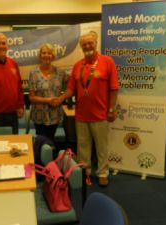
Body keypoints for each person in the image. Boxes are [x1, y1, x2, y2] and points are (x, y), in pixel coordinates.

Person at [54, 32, 119, 186]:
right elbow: (70, 89)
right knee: (83, 147)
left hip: (101, 114)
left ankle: (103, 173)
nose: (87, 46)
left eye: (90, 43)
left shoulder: (107, 62)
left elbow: (114, 88)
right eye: (84, 45)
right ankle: (85, 172)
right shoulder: (78, 66)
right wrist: (61, 99)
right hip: (81, 115)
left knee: (102, 147)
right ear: (81, 47)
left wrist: (111, 109)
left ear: (95, 43)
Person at [28, 43, 67, 141]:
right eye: (44, 53)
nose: (46, 55)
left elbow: (72, 86)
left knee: (51, 141)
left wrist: (62, 98)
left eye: (49, 53)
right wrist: (48, 100)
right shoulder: (33, 73)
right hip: (39, 115)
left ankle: (52, 156)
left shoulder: (60, 73)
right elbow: (31, 97)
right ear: (40, 55)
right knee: (41, 141)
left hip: (54, 114)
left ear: (53, 56)